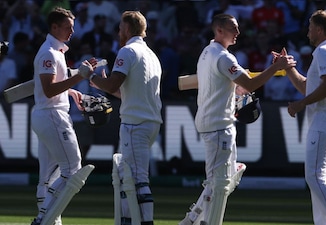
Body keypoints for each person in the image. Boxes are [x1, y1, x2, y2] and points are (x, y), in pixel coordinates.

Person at [178, 13, 296, 225]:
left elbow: (231, 85)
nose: (238, 33)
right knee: (220, 184)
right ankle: (200, 221)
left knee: (221, 180)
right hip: (218, 124)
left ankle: (191, 219)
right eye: (233, 29)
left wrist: (238, 88)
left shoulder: (207, 52)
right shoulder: (224, 57)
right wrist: (275, 68)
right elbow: (250, 85)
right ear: (219, 30)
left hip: (214, 122)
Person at [89, 11, 163, 225]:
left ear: (128, 29)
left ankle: (144, 222)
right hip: (149, 122)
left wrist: (90, 76)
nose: (118, 32)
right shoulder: (151, 55)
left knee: (137, 178)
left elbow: (112, 84)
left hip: (135, 124)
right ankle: (128, 220)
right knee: (126, 176)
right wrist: (100, 84)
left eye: (120, 28)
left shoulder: (127, 51)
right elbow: (125, 92)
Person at [281, 9, 326, 225]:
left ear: (319, 30)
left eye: (310, 28)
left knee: (314, 176)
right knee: (322, 179)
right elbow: (307, 86)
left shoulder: (324, 52)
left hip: (325, 120)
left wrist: (300, 105)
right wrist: (288, 68)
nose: (307, 33)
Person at [30, 7, 95, 225]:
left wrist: (73, 91)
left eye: (73, 27)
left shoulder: (55, 51)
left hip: (46, 115)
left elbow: (51, 85)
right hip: (52, 115)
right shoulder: (49, 52)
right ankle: (43, 218)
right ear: (54, 27)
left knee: (48, 178)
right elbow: (49, 89)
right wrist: (79, 78)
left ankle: (51, 221)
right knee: (73, 169)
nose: (72, 32)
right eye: (67, 27)